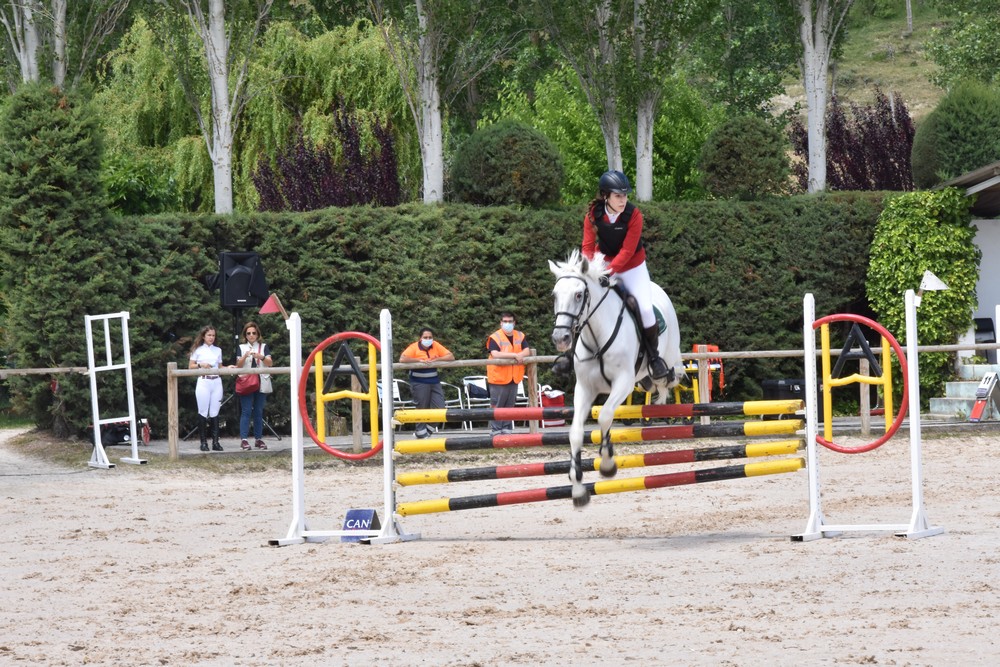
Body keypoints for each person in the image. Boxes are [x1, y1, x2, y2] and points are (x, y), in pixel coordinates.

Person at [556, 169, 670, 380]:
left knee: (645, 308)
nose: (623, 200)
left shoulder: (634, 215)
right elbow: (588, 247)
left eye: (625, 195)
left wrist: (609, 272)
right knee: (584, 304)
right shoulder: (592, 215)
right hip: (604, 263)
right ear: (605, 196)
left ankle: (654, 358)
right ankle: (570, 356)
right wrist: (588, 270)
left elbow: (627, 251)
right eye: (618, 195)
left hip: (633, 267)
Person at [399, 327, 455, 439]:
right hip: (418, 382)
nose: (428, 339)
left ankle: (427, 431)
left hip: (434, 381)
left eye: (430, 337)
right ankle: (421, 433)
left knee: (440, 408)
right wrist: (419, 360)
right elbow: (403, 359)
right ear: (420, 338)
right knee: (422, 408)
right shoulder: (414, 347)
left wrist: (436, 360)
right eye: (425, 337)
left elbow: (451, 356)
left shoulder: (436, 345)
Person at [486, 312, 531, 436]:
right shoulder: (495, 337)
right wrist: (515, 356)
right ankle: (495, 431)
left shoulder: (520, 335)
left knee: (509, 405)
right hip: (498, 378)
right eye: (505, 321)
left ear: (514, 323)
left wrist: (520, 355)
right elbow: (495, 354)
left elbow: (527, 350)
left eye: (510, 321)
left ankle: (506, 429)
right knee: (497, 405)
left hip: (514, 377)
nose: (507, 324)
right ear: (500, 323)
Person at [235, 320, 273, 451]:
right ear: (245, 335)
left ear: (257, 334)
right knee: (246, 411)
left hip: (261, 380)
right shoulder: (241, 347)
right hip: (246, 381)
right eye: (248, 333)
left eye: (253, 333)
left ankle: (258, 439)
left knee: (258, 411)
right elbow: (238, 366)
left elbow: (270, 363)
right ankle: (244, 439)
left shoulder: (263, 346)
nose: (251, 335)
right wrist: (245, 356)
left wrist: (260, 357)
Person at [189, 325, 225, 452]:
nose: (211, 337)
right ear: (204, 336)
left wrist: (229, 368)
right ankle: (203, 442)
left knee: (215, 411)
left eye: (213, 335)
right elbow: (191, 366)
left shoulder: (218, 350)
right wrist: (201, 364)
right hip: (204, 380)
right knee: (203, 411)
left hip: (216, 381)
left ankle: (216, 442)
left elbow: (220, 367)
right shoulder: (197, 350)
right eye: (209, 335)